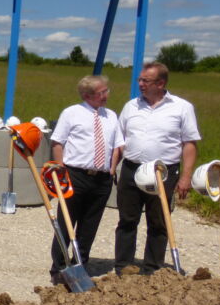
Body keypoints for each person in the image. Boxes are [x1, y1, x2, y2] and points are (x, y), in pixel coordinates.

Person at [114, 61, 200, 275]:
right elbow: (118, 138)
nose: (141, 84)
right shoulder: (131, 106)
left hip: (163, 172)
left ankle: (152, 269)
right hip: (132, 170)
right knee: (127, 220)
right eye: (140, 80)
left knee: (159, 221)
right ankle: (123, 266)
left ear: (161, 83)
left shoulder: (181, 107)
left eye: (146, 80)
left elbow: (189, 144)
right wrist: (112, 167)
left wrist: (186, 177)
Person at [49, 75, 124, 283]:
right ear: (87, 95)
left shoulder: (111, 116)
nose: (106, 96)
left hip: (101, 179)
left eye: (106, 91)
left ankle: (81, 264)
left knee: (90, 225)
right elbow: (57, 142)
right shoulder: (72, 113)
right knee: (66, 222)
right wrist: (60, 170)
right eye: (102, 93)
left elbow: (118, 144)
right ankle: (59, 268)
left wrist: (111, 168)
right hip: (75, 174)